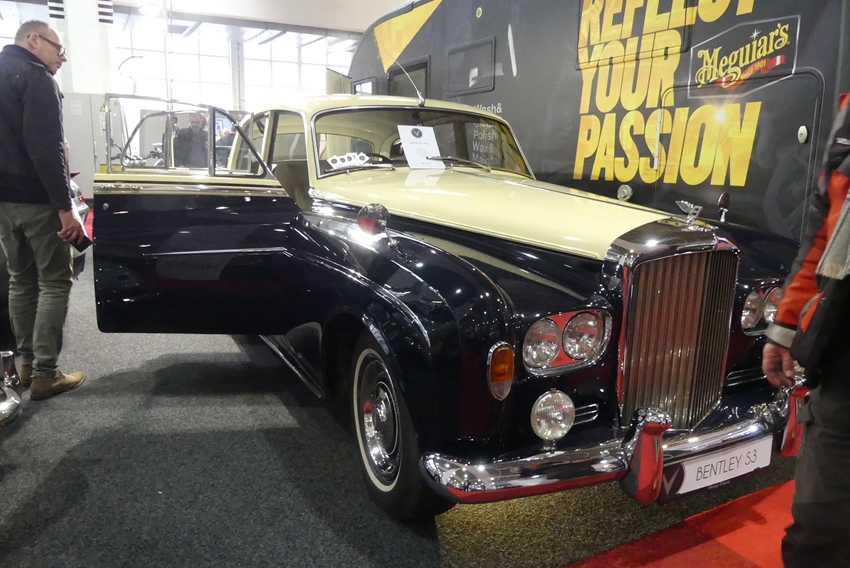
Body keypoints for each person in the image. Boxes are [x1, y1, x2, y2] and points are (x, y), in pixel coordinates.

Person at [763, 94, 850, 566]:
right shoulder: (849, 115)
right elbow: (822, 233)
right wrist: (785, 328)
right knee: (819, 532)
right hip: (842, 368)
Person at [0, 21, 85, 400]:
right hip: (36, 199)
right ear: (33, 40)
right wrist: (65, 208)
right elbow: (46, 149)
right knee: (54, 281)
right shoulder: (36, 78)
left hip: (3, 202)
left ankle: (25, 366)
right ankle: (46, 374)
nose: (62, 58)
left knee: (20, 279)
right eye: (58, 48)